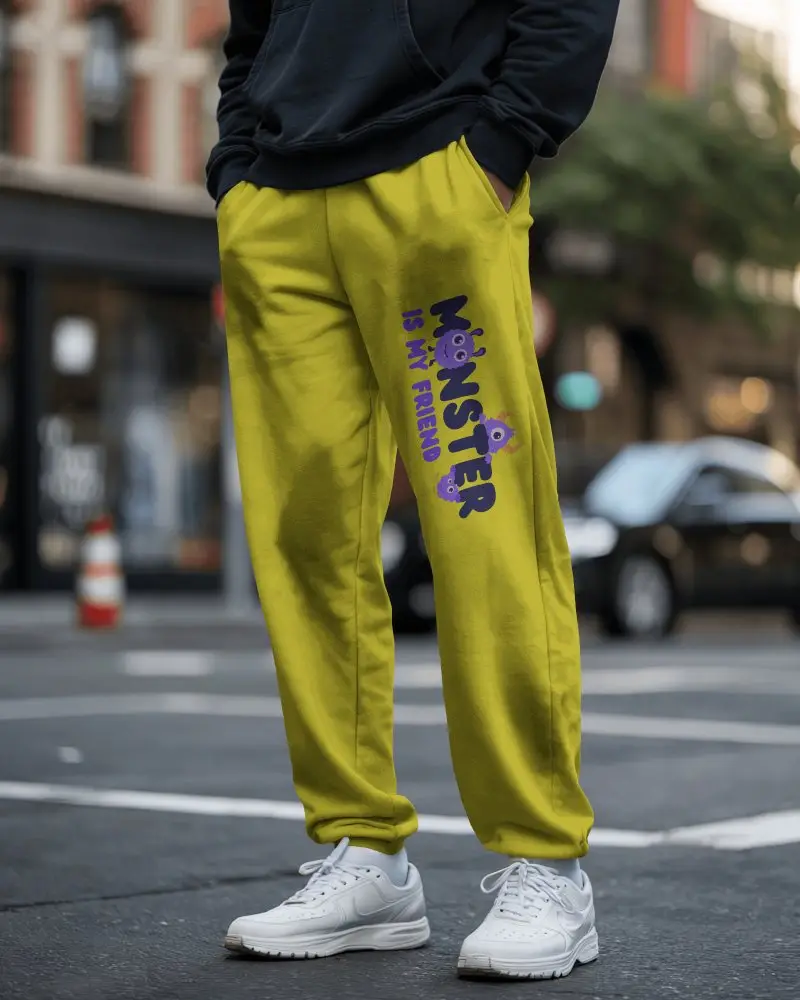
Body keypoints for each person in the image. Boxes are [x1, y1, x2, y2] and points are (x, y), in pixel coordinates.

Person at [209, 0, 619, 981]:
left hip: (437, 168)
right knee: (306, 539)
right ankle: (365, 856)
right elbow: (252, 25)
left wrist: (506, 137)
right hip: (278, 193)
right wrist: (235, 164)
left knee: (481, 524)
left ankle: (544, 864)